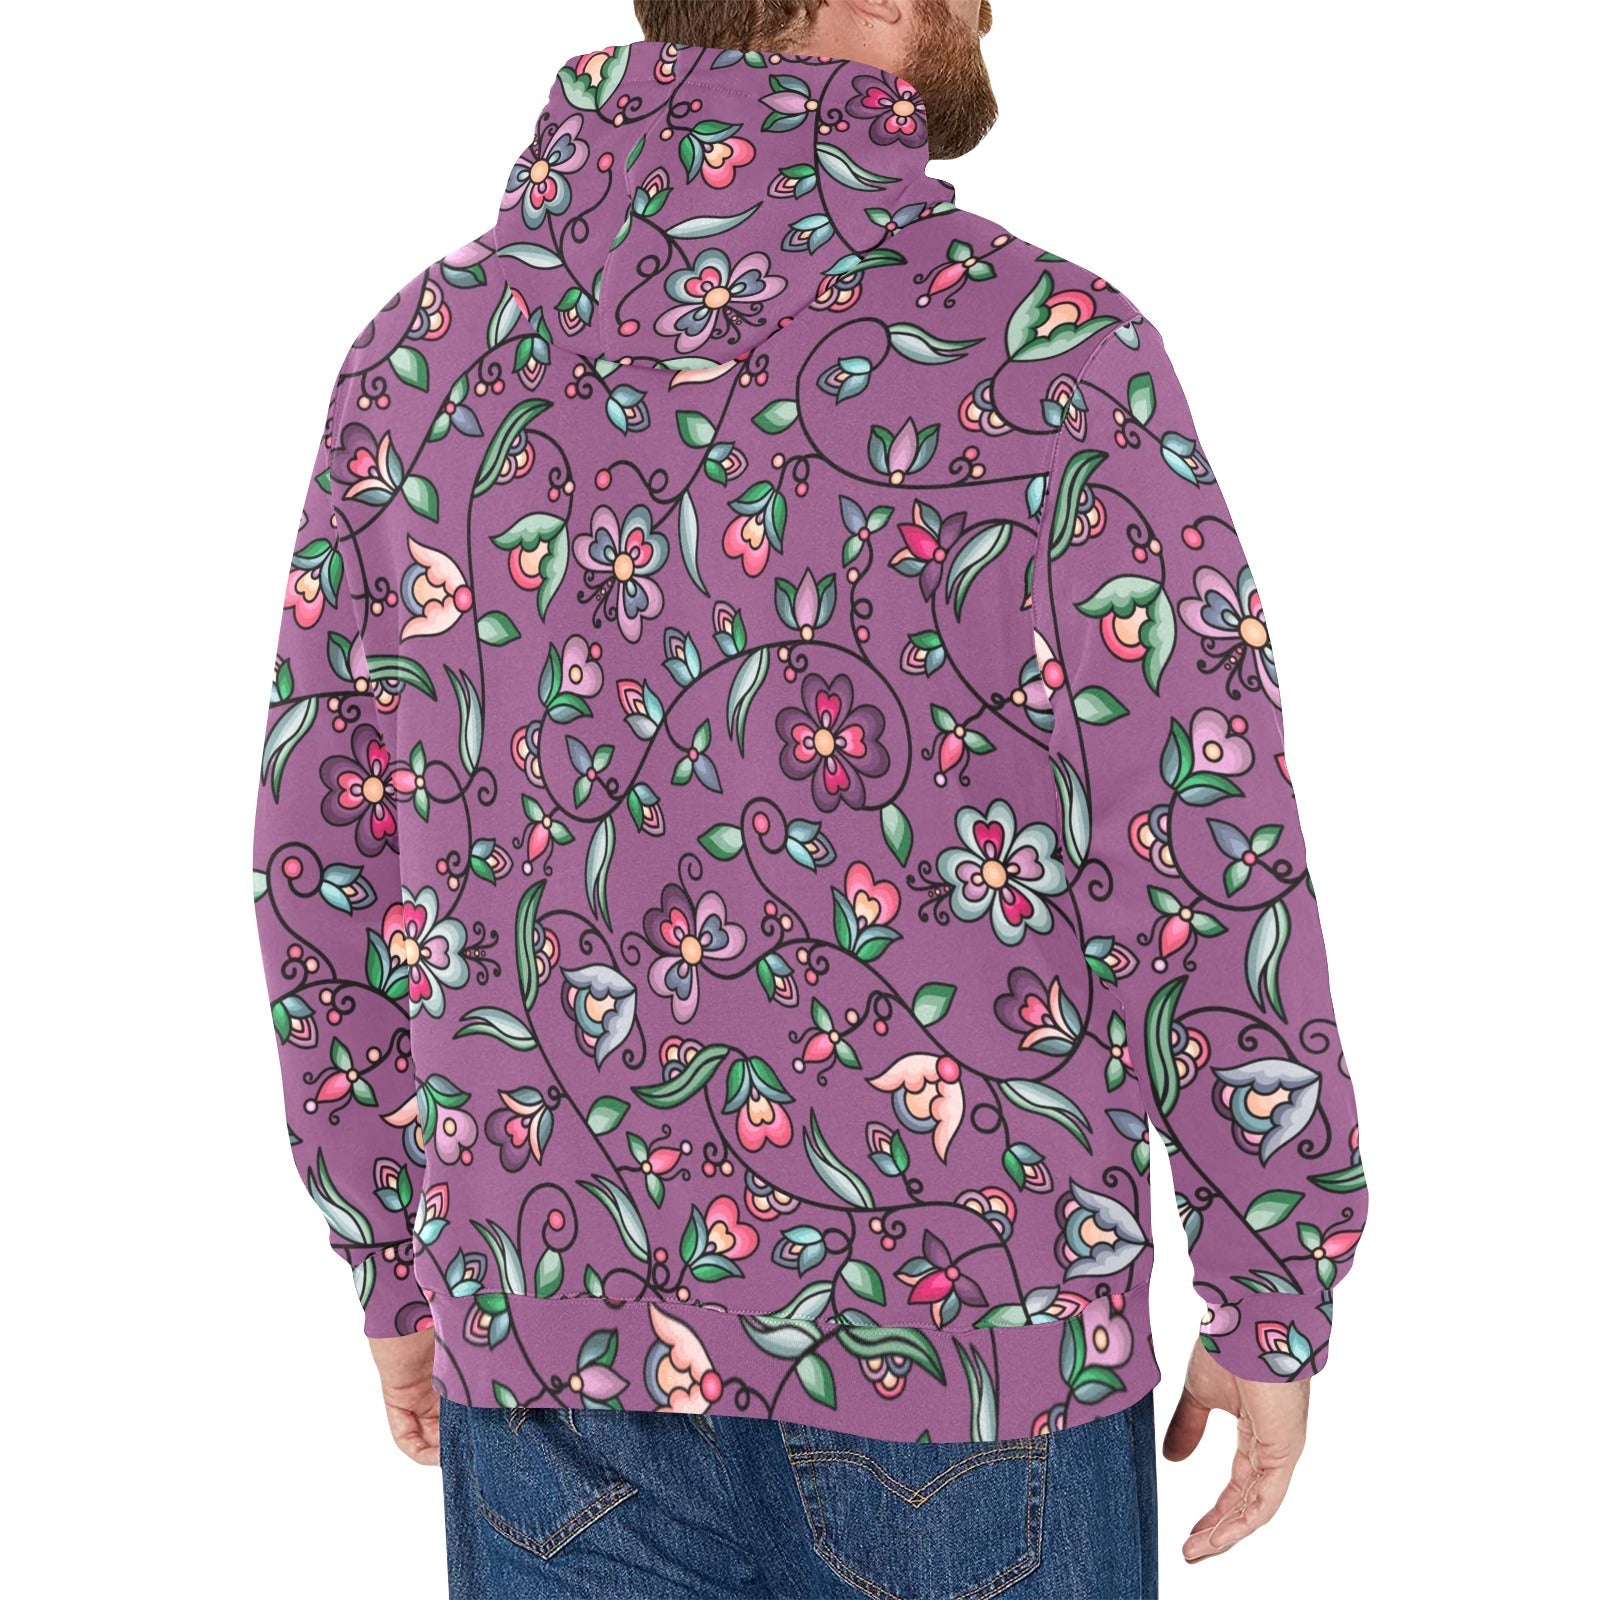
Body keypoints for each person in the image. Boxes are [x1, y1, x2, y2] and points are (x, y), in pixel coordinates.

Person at [249, 2, 1368, 1593]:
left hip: (550, 1340)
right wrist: (1271, 1278)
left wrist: (393, 1255)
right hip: (972, 1354)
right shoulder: (1041, 350)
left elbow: (324, 851)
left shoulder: (426, 357)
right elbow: (1199, 833)